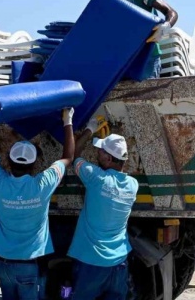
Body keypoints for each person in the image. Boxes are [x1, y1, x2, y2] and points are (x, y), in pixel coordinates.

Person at [0, 108, 76, 300]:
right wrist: (68, 121)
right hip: (28, 265)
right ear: (34, 165)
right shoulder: (42, 185)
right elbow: (68, 157)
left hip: (3, 263)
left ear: (8, 161)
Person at [67, 118, 139, 300]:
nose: (97, 153)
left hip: (92, 263)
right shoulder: (133, 185)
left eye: (100, 151)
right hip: (119, 263)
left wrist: (90, 129)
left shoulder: (96, 178)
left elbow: (74, 154)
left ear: (108, 158)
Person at [94, 0, 179, 78]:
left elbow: (171, 12)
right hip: (124, 62)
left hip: (147, 59)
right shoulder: (109, 2)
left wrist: (164, 27)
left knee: (148, 97)